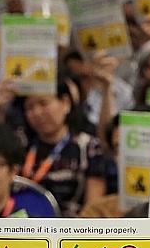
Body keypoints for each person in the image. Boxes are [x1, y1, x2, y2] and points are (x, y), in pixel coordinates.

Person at [18, 86, 106, 216]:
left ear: (65, 103)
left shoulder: (88, 146)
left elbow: (93, 207)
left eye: (43, 103)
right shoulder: (21, 143)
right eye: (29, 108)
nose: (37, 113)